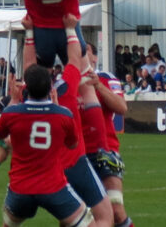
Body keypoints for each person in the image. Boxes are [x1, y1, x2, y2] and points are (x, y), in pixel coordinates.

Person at [0, 63, 92, 227]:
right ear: (51, 88)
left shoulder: (12, 113)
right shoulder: (63, 114)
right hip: (53, 187)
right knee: (88, 223)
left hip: (20, 188)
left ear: (26, 87)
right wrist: (57, 107)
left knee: (9, 224)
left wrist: (15, 99)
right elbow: (73, 144)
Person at [44, 14, 114, 227]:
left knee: (70, 220)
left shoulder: (24, 104)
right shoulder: (65, 89)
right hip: (76, 160)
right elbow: (76, 59)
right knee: (106, 215)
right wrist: (72, 29)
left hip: (49, 167)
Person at [88, 44, 133, 227]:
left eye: (86, 51)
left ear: (95, 58)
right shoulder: (66, 81)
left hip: (106, 152)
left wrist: (98, 85)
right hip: (77, 156)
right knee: (76, 217)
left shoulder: (106, 78)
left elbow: (121, 108)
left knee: (116, 211)